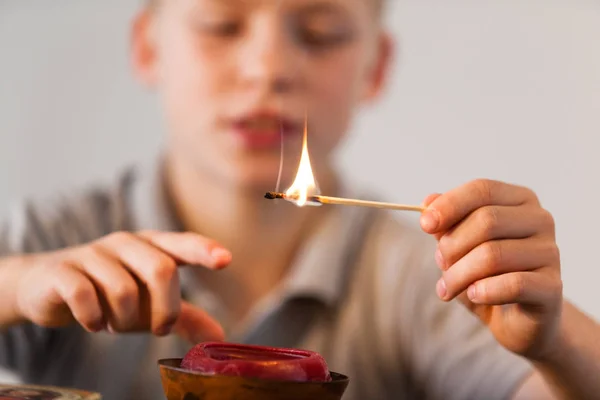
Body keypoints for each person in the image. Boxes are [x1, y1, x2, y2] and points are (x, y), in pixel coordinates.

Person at [0, 0, 599, 399]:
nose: (269, 67)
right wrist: (17, 286)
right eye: (222, 24)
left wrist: (557, 345)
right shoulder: (52, 243)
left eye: (320, 33)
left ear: (377, 66)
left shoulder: (433, 278)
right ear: (148, 46)